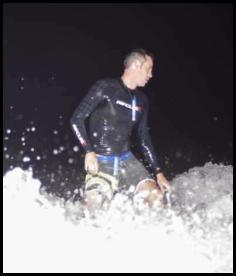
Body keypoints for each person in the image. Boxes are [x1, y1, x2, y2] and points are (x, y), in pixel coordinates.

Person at [70, 48, 170, 212]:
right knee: (93, 207)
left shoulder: (142, 100)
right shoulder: (105, 87)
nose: (150, 75)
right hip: (101, 161)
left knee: (156, 197)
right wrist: (88, 151)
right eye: (148, 69)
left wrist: (158, 172)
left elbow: (143, 137)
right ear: (136, 64)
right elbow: (76, 119)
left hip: (127, 161)